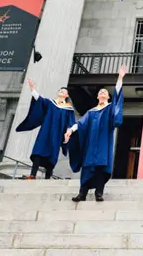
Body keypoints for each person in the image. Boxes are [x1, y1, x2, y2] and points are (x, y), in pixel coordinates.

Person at [64, 65, 126, 202]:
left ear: (108, 97)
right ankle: (82, 193)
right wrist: (70, 130)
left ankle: (99, 193)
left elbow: (117, 99)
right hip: (91, 145)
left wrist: (120, 78)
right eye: (101, 92)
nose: (103, 93)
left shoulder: (110, 108)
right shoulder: (91, 111)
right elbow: (81, 124)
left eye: (105, 92)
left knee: (100, 168)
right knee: (87, 168)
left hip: (103, 143)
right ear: (97, 96)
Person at [15, 79, 76, 180]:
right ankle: (32, 175)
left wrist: (68, 133)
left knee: (52, 155)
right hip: (45, 131)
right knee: (39, 150)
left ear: (67, 95)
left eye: (63, 91)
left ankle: (47, 178)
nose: (61, 91)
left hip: (57, 134)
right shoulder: (50, 103)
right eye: (60, 90)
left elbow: (71, 123)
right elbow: (39, 100)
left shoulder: (68, 108)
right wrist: (32, 89)